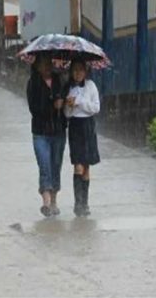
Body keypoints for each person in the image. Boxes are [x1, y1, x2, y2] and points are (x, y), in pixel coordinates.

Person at [26, 54, 68, 217]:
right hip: (40, 132)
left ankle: (54, 199)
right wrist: (53, 104)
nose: (47, 67)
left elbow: (66, 100)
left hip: (58, 131)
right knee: (44, 166)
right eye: (43, 64)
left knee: (55, 165)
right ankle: (46, 201)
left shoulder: (60, 81)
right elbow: (34, 109)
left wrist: (63, 102)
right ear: (37, 67)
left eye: (49, 63)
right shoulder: (33, 84)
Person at [64, 59, 101, 217]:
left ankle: (85, 203)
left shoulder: (91, 86)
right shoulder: (69, 88)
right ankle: (77, 203)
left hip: (88, 127)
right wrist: (70, 106)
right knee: (78, 166)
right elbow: (66, 114)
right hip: (75, 128)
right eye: (75, 70)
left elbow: (95, 108)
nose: (77, 73)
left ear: (85, 71)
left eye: (80, 70)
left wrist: (79, 102)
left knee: (86, 168)